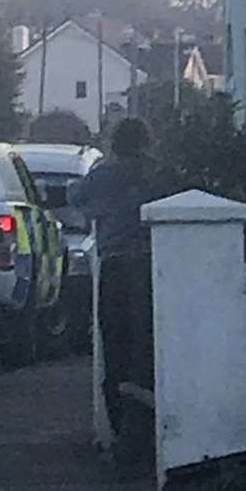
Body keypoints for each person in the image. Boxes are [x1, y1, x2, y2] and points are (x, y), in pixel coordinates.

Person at [70, 117, 164, 439]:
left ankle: (120, 430)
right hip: (153, 265)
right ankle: (147, 426)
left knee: (114, 346)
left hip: (114, 263)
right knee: (148, 347)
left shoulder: (103, 174)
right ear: (146, 142)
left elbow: (76, 198)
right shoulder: (155, 173)